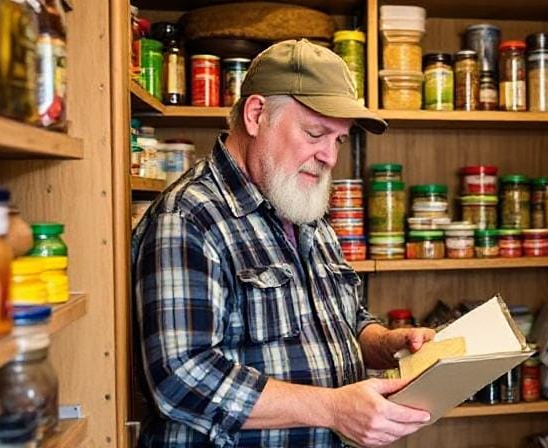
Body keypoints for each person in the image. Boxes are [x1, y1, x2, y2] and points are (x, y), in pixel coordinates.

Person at [132, 39, 434, 447]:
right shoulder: (189, 216)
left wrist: (389, 345)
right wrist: (332, 408)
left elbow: (342, 320)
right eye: (315, 133)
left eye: (339, 140)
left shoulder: (300, 203)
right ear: (256, 115)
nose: (329, 156)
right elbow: (181, 376)